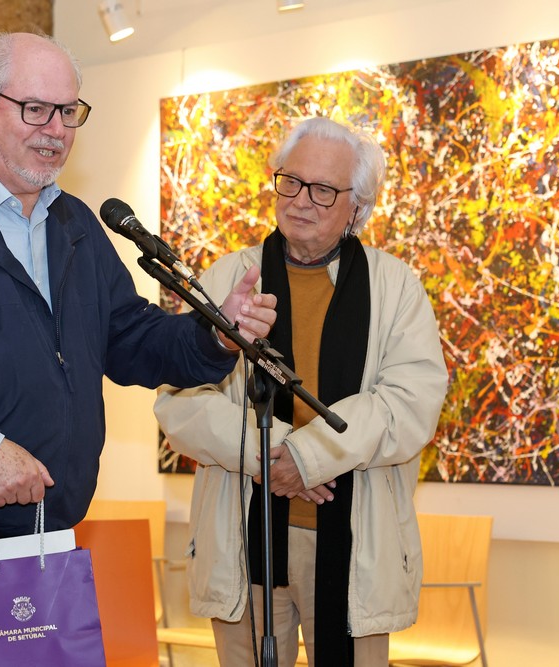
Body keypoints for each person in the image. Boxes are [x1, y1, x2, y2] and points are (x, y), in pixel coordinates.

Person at [0, 32, 277, 666]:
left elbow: (128, 336)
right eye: (35, 109)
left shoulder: (75, 226)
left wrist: (212, 333)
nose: (56, 131)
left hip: (42, 538)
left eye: (68, 112)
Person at [154, 116, 449, 666]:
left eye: (322, 190)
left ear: (356, 207)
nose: (300, 200)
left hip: (354, 551)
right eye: (290, 181)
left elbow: (409, 405)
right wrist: (272, 457)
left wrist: (308, 458)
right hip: (244, 538)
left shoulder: (395, 287)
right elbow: (179, 401)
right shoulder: (229, 278)